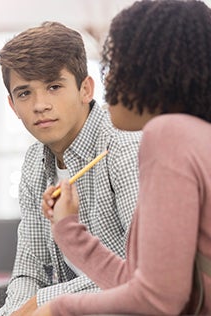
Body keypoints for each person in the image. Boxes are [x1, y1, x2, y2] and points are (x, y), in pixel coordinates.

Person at [36, 1, 211, 315]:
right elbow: (139, 284)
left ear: (150, 70)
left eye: (113, 64)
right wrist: (66, 227)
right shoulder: (196, 137)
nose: (107, 80)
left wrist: (57, 309)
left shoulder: (169, 135)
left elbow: (157, 301)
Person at [0, 21, 143, 316]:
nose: (40, 105)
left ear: (85, 89)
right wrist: (16, 312)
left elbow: (139, 272)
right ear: (12, 105)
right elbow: (29, 269)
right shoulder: (34, 162)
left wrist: (43, 302)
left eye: (54, 87)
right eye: (24, 93)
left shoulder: (123, 147)